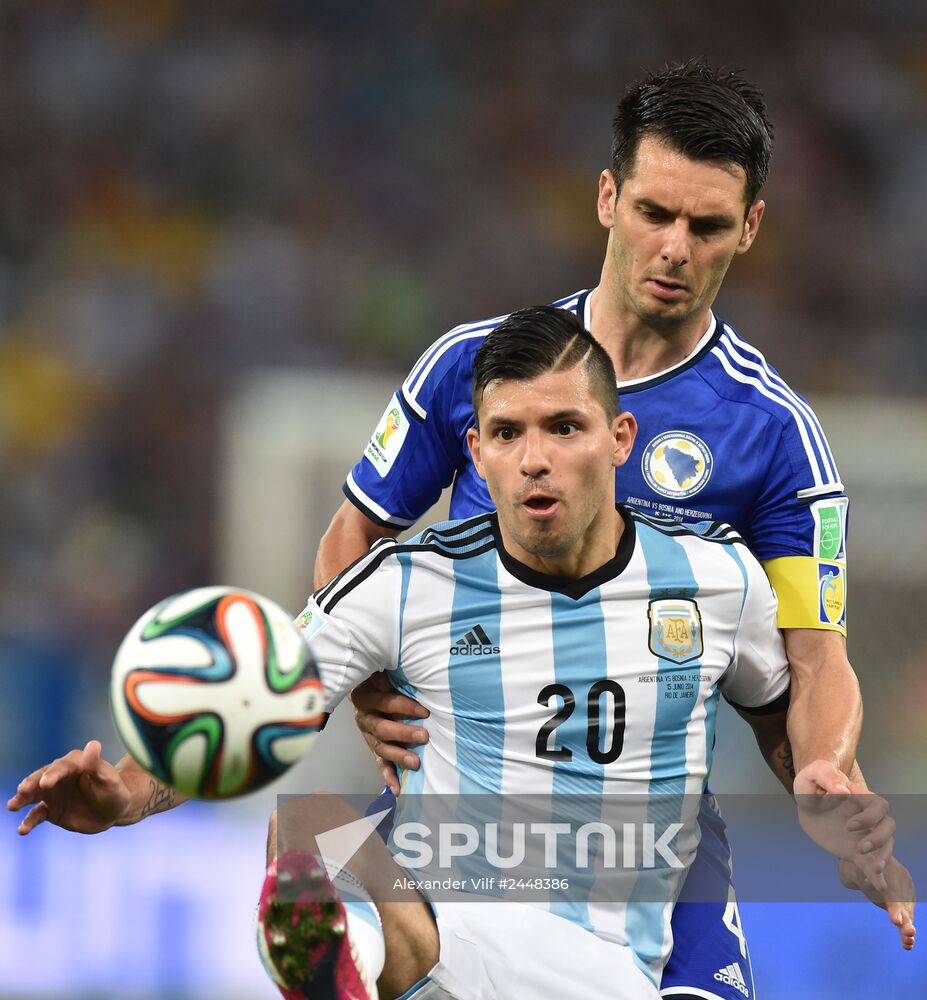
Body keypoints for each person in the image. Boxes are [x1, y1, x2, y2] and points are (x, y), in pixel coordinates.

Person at [311, 60, 915, 991]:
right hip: (468, 821)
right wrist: (370, 687)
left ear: (748, 228)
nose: (674, 247)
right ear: (606, 198)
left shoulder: (774, 437)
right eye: (653, 213)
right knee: (340, 912)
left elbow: (813, 656)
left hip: (648, 842)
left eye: (707, 225)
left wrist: (825, 767)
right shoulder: (477, 367)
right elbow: (354, 536)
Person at [256, 309, 883, 999]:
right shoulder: (414, 563)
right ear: (609, 198)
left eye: (562, 428)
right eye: (507, 433)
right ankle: (357, 966)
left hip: (636, 883)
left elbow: (808, 673)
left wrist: (829, 785)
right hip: (464, 886)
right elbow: (261, 694)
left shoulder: (751, 484)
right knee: (306, 825)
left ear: (619, 439)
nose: (675, 247)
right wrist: (134, 792)